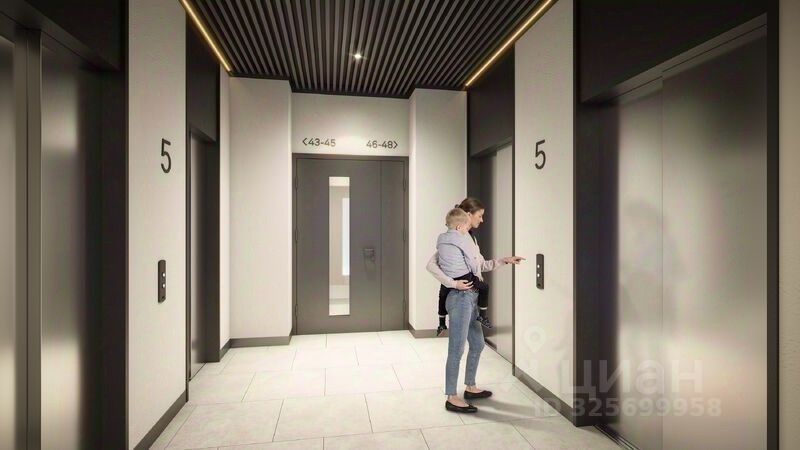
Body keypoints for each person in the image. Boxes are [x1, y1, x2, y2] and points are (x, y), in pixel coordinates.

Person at [426, 197, 524, 413]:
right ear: (468, 215)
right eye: (480, 215)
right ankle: (451, 397)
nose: (482, 219)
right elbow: (431, 265)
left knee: (478, 344)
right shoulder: (453, 240)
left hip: (471, 297)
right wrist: (453, 283)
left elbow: (480, 267)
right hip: (459, 298)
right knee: (456, 349)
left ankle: (470, 387)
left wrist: (504, 260)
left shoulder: (470, 239)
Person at [434, 208, 492, 337]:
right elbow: (471, 260)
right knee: (485, 287)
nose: (466, 230)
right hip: (464, 276)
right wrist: (477, 275)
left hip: (447, 276)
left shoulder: (441, 238)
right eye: (466, 227)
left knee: (442, 295)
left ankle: (441, 323)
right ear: (459, 227)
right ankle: (483, 316)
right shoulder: (462, 239)